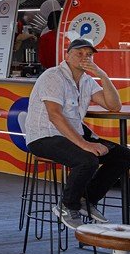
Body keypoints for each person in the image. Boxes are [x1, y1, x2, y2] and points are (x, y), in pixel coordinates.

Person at [21, 38, 130, 229]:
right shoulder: (53, 76)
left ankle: (85, 201)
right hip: (44, 136)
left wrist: (103, 75)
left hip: (70, 135)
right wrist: (85, 144)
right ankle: (66, 205)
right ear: (67, 55)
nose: (84, 57)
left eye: (88, 55)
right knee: (87, 159)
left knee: (124, 155)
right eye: (79, 53)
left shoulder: (87, 81)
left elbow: (114, 105)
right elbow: (55, 115)